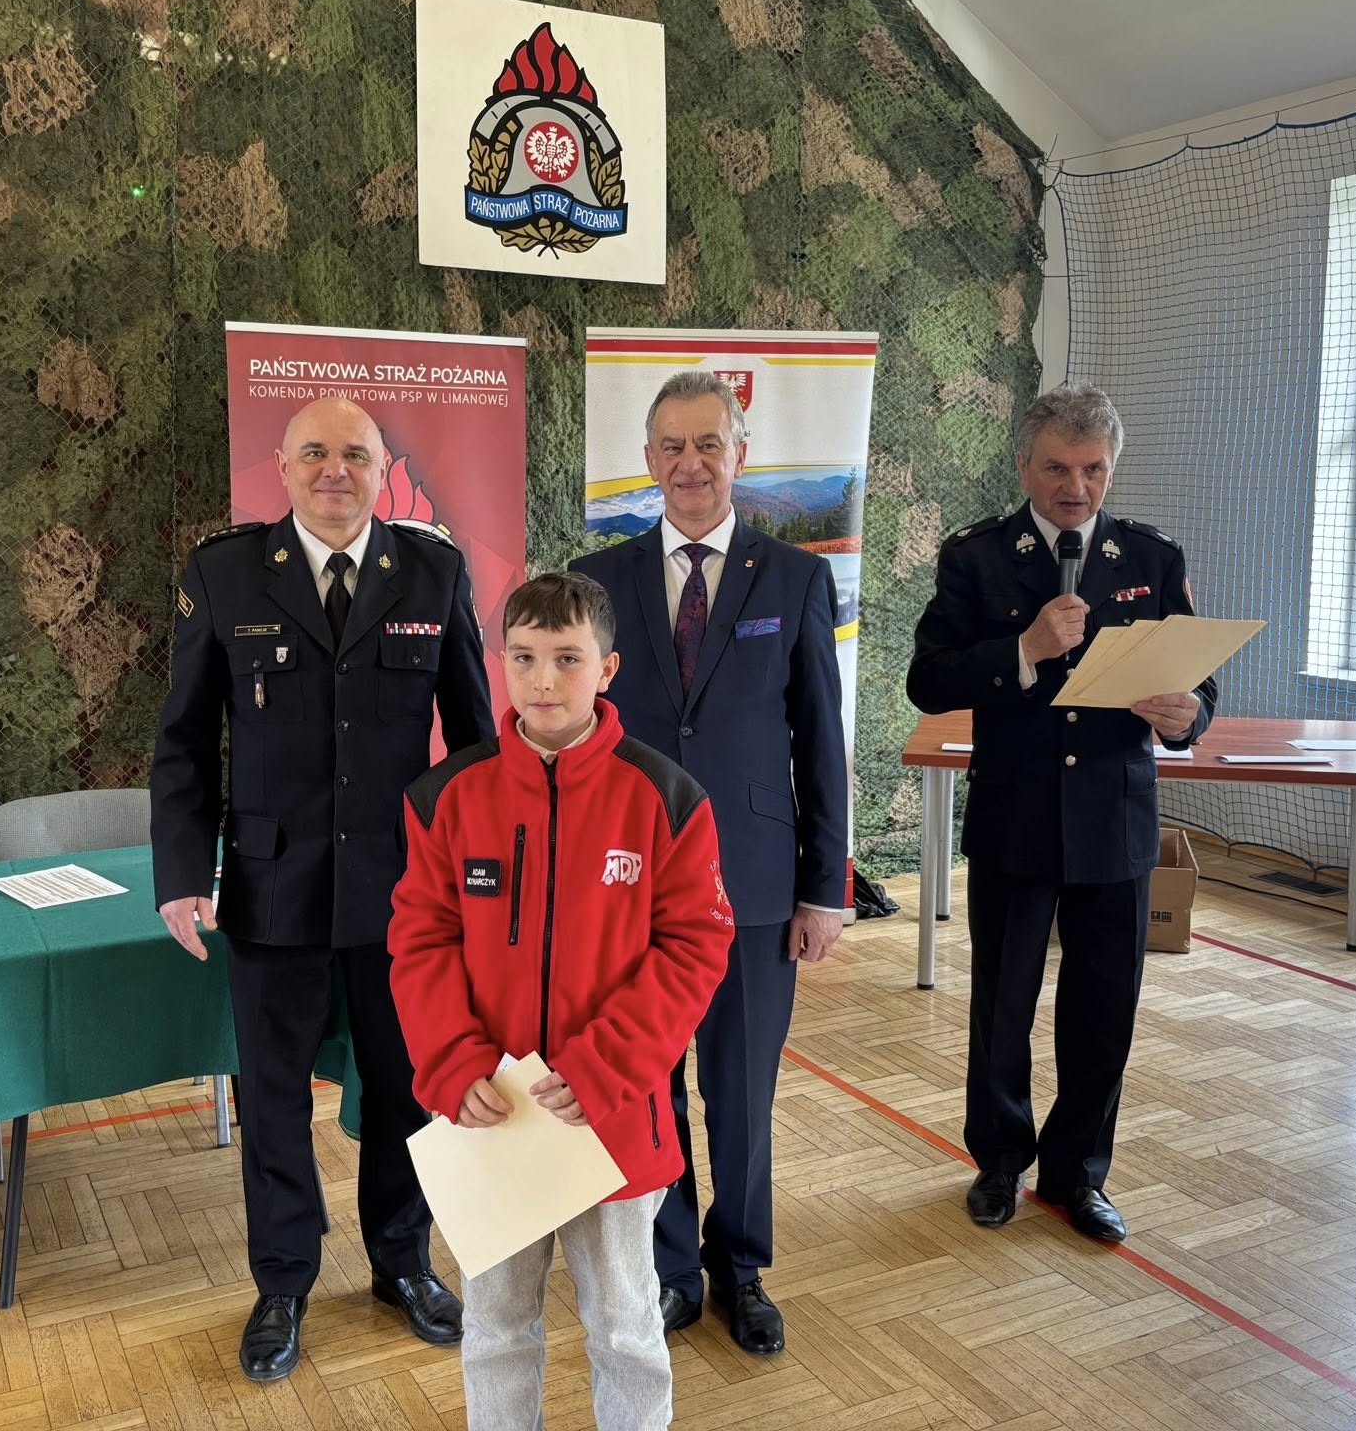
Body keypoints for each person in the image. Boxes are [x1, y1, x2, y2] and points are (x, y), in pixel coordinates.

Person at [150, 395, 493, 1381]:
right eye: (314, 453)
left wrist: (479, 886)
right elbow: (183, 741)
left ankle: (401, 1261)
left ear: (382, 469)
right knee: (272, 1099)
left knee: (406, 1089)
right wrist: (184, 873)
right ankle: (283, 1281)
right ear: (282, 466)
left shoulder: (432, 570)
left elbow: (475, 744)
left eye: (354, 454)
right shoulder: (224, 574)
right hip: (272, 888)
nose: (334, 470)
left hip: (404, 896)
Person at [388, 573, 734, 1430]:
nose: (544, 681)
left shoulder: (666, 798)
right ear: (500, 664)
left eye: (568, 659)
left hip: (611, 1118)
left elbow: (695, 946)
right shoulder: (445, 797)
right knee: (498, 1329)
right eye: (525, 658)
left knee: (625, 1328)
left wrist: (607, 1065)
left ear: (607, 668)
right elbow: (420, 942)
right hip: (493, 1120)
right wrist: (454, 1062)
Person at [570, 371, 850, 1354]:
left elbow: (820, 741)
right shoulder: (596, 581)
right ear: (648, 460)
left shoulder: (794, 578)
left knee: (740, 1093)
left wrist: (824, 888)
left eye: (708, 445)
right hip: (627, 886)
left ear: (739, 456)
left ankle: (741, 1270)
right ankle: (670, 1266)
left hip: (755, 885)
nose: (690, 464)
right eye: (672, 447)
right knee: (647, 1081)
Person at [906, 381, 1217, 1243]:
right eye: (1056, 468)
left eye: (1092, 470)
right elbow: (928, 679)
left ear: (1110, 468)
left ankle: (1078, 1174)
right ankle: (1000, 1162)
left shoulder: (1151, 558)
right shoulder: (977, 557)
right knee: (1003, 1006)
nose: (1075, 487)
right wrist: (1023, 649)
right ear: (1023, 465)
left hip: (1114, 823)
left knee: (1104, 1009)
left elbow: (1201, 683)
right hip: (1016, 817)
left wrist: (1189, 716)